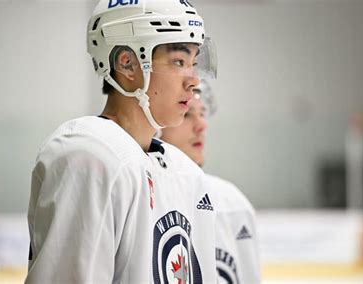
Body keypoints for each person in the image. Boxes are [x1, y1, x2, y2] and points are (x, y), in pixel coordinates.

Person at [25, 0, 218, 282]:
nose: (193, 81)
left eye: (193, 62)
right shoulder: (88, 157)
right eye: (179, 61)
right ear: (126, 63)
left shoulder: (185, 172)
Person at [159, 79, 261, 283]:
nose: (202, 125)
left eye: (202, 113)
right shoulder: (139, 194)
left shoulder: (231, 204)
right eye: (187, 114)